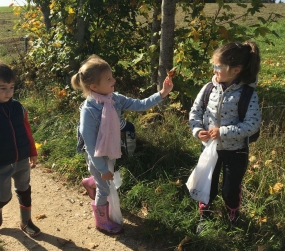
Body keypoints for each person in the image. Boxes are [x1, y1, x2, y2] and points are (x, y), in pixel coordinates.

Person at [71, 54, 173, 234]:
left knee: (106, 179)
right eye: (108, 79)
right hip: (97, 155)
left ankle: (90, 181)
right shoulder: (88, 111)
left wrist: (162, 93)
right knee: (104, 188)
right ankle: (101, 221)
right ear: (94, 86)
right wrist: (103, 170)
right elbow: (90, 145)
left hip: (110, 149)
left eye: (112, 76)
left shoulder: (114, 98)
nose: (114, 80)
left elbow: (140, 105)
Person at [189, 41, 261, 232]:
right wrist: (197, 131)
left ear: (236, 70)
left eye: (218, 66)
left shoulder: (247, 94)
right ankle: (205, 215)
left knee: (230, 188)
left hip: (236, 152)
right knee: (207, 183)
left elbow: (252, 125)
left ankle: (232, 214)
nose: (214, 69)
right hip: (209, 149)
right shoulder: (208, 89)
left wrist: (223, 132)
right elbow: (195, 112)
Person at [0, 60, 40, 236]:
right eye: (3, 87)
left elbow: (27, 131)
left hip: (21, 158)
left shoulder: (18, 107)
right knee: (4, 196)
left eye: (11, 87)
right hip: (1, 163)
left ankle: (26, 221)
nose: (9, 92)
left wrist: (32, 151)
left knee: (24, 189)